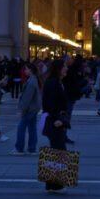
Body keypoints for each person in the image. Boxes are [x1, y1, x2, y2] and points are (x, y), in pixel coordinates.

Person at [42, 58, 69, 192]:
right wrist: (55, 119)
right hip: (55, 121)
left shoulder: (57, 82)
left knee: (56, 151)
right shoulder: (53, 83)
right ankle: (55, 184)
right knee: (58, 151)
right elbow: (50, 103)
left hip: (57, 120)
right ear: (59, 68)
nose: (66, 68)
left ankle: (53, 184)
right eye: (64, 66)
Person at [11, 62, 42, 155]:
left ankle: (19, 148)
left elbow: (27, 98)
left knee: (21, 128)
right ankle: (31, 149)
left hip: (29, 109)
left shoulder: (31, 82)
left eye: (26, 69)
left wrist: (23, 111)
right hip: (33, 109)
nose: (24, 71)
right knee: (32, 129)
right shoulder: (34, 80)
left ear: (30, 70)